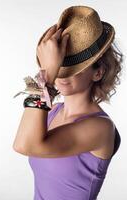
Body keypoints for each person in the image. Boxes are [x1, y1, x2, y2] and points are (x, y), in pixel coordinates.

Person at [13, 5, 123, 200]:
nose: (62, 73)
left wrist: (46, 75)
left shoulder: (101, 128)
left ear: (98, 72)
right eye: (60, 64)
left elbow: (24, 145)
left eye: (74, 66)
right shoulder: (52, 110)